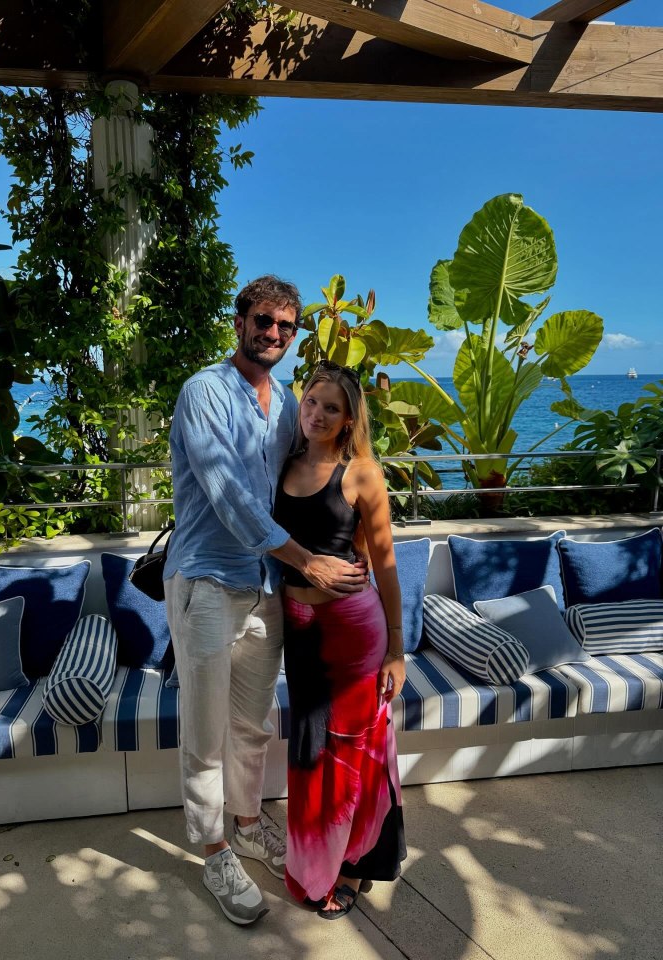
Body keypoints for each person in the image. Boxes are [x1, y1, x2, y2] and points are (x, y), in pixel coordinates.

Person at [163, 276, 367, 927]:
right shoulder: (204, 392)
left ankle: (247, 822)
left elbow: (311, 471)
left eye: (285, 326)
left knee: (252, 724)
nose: (273, 333)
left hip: (265, 591)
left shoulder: (286, 403)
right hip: (206, 586)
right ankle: (214, 848)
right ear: (240, 319)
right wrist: (308, 560)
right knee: (203, 729)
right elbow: (229, 497)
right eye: (263, 321)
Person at [273, 359, 407, 919]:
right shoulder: (279, 462)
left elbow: (387, 566)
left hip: (354, 631)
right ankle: (316, 863)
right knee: (311, 749)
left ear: (349, 418)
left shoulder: (361, 474)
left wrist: (397, 650)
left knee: (354, 750)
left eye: (332, 408)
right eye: (311, 402)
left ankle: (353, 864)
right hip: (300, 632)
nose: (317, 414)